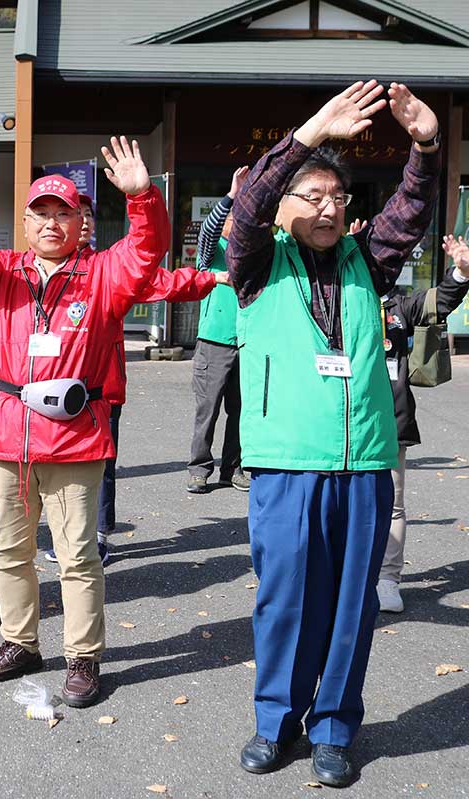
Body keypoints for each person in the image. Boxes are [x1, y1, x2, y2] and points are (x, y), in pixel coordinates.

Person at [225, 80, 441, 787]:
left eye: (338, 197)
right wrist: (314, 131)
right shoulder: (256, 262)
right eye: (312, 196)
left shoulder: (363, 260)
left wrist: (425, 145)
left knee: (352, 609)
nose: (327, 207)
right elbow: (250, 204)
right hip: (287, 463)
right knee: (285, 602)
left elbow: (409, 213)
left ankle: (334, 729)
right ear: (285, 205)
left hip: (366, 462)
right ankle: (275, 722)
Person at [0, 140, 168, 702]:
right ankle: (20, 642)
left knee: (77, 557)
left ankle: (83, 656)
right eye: (41, 213)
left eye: (64, 213)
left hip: (76, 439)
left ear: (80, 223)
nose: (52, 223)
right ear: (26, 223)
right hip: (10, 435)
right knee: (8, 550)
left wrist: (141, 199)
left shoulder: (103, 274)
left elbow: (145, 252)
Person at [46, 193, 217, 566]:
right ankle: (65, 534)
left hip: (102, 388)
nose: (84, 221)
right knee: (59, 467)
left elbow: (161, 282)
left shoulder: (109, 268)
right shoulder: (45, 270)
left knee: (102, 465)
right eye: (76, 214)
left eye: (88, 215)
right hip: (52, 389)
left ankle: (99, 535)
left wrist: (210, 279)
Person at [373, 234, 469, 612]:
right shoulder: (341, 301)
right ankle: (348, 575)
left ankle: (387, 579)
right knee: (345, 503)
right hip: (344, 422)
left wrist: (461, 272)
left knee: (392, 503)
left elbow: (440, 300)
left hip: (392, 420)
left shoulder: (400, 305)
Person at [186, 167, 249, 494]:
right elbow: (208, 229)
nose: (237, 224)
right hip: (214, 342)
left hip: (247, 342)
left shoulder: (251, 253)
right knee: (207, 410)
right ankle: (199, 469)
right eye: (233, 219)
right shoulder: (212, 252)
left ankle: (232, 469)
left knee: (241, 412)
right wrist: (231, 196)